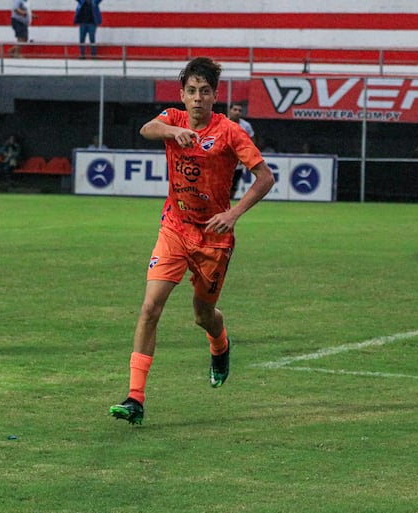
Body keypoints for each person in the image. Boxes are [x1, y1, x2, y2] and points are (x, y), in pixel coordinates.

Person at [108, 57, 275, 425]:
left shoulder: (230, 132)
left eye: (205, 92)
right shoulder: (174, 119)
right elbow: (147, 129)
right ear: (182, 95)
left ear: (214, 96)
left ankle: (220, 344)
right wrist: (171, 133)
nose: (198, 98)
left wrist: (233, 214)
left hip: (213, 238)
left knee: (203, 315)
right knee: (150, 307)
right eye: (191, 91)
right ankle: (135, 397)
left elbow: (265, 177)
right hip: (175, 227)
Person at [227, 103, 255, 198]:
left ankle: (230, 203)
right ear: (230, 110)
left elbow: (251, 141)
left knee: (234, 183)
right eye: (235, 110)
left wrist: (247, 156)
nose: (237, 112)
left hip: (238, 160)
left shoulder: (246, 126)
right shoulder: (222, 122)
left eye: (239, 110)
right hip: (223, 159)